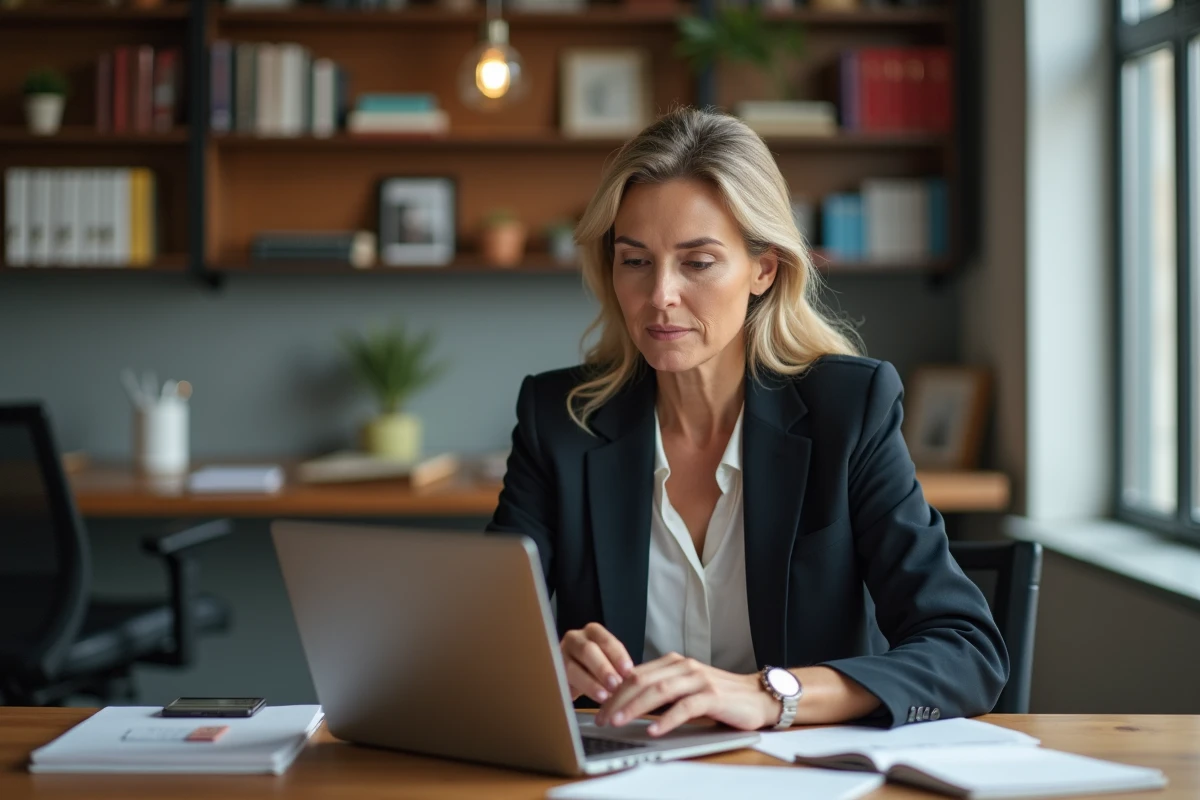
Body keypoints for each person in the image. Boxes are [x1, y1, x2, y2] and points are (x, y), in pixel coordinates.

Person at [487, 107, 1007, 737]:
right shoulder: (559, 420)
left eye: (698, 262)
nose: (660, 296)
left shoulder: (849, 410)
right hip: (622, 776)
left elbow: (966, 652)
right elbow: (476, 644)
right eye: (636, 261)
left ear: (764, 268)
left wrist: (770, 695)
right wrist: (545, 664)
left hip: (799, 778)